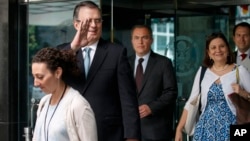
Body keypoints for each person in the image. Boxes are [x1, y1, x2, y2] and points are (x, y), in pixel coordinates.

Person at [57, 1, 141, 141]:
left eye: (98, 21)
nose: (94, 25)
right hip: (69, 130)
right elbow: (48, 72)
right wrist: (74, 47)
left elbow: (128, 99)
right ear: (76, 24)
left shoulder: (116, 53)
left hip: (107, 132)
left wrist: (132, 136)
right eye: (88, 21)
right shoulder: (64, 52)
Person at [175, 32, 250, 141]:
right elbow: (191, 102)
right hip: (205, 129)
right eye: (213, 47)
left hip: (233, 128)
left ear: (228, 50)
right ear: (209, 53)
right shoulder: (202, 72)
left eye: (222, 46)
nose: (218, 50)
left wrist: (242, 93)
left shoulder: (240, 71)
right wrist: (179, 128)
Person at [32, 47, 97, 141]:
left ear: (58, 73)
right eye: (34, 76)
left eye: (40, 77)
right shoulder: (44, 102)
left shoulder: (79, 106)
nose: (35, 83)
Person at [128, 24, 178, 141]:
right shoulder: (125, 63)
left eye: (144, 37)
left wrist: (151, 107)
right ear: (132, 41)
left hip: (155, 129)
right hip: (130, 130)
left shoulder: (163, 63)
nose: (140, 42)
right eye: (136, 38)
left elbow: (171, 92)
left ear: (151, 40)